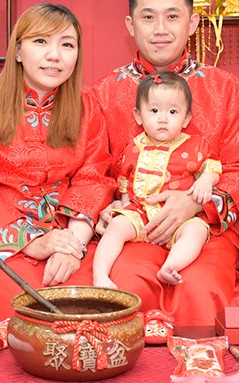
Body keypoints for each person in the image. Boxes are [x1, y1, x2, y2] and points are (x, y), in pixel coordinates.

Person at [92, 0, 239, 325]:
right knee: (124, 287)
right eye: (148, 17)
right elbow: (92, 169)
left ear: (192, 23)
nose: (160, 29)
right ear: (130, 25)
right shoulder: (103, 93)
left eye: (172, 16)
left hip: (205, 230)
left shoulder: (228, 90)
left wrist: (196, 203)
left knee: (199, 289)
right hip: (134, 229)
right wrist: (105, 207)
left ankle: (199, 359)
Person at [0, 3, 115, 323]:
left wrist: (72, 247)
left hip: (71, 237)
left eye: (67, 44)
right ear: (17, 50)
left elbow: (93, 178)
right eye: (41, 41)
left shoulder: (87, 106)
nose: (54, 55)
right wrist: (32, 242)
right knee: (24, 310)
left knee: (97, 300)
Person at [94, 70, 222, 288]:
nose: (163, 119)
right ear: (138, 116)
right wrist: (123, 204)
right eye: (154, 111)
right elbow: (124, 180)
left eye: (173, 112)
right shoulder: (133, 147)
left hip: (180, 217)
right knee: (116, 226)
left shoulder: (195, 146)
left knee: (197, 231)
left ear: (186, 118)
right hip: (141, 213)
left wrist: (206, 181)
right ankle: (100, 275)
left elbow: (212, 166)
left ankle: (171, 266)